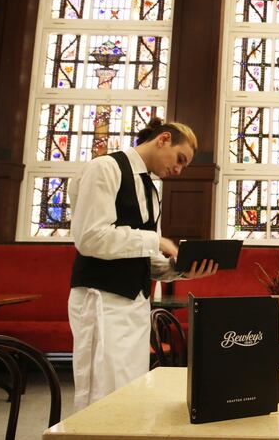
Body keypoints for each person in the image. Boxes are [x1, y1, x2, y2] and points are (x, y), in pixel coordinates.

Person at [68, 118, 217, 410]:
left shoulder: (151, 189)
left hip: (135, 303)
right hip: (101, 297)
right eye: (180, 159)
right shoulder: (105, 168)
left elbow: (144, 259)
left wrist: (181, 269)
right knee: (102, 393)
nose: (178, 169)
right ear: (163, 139)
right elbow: (89, 238)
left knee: (129, 392)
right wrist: (157, 241)